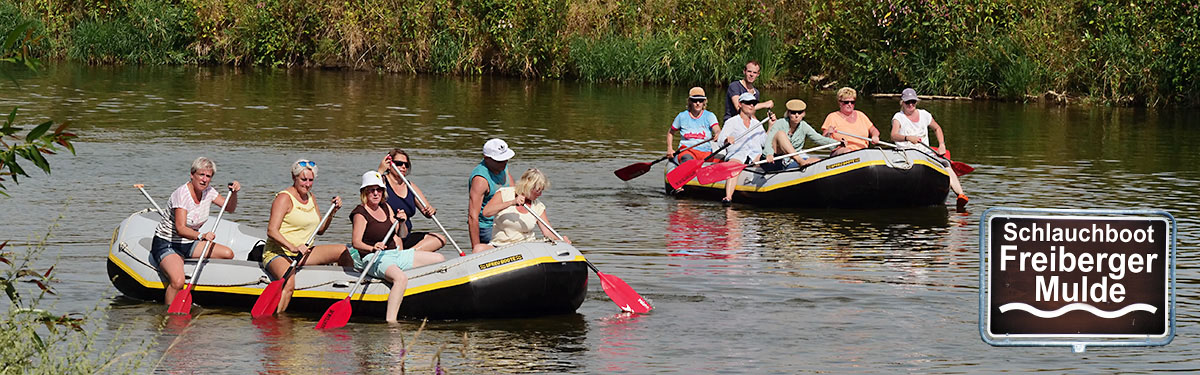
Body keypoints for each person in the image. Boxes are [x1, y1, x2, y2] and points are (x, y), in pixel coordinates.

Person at [349, 171, 445, 322]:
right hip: (373, 258)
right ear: (364, 192)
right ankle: (391, 321)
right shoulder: (360, 213)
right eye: (371, 190)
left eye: (379, 189)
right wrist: (372, 248)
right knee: (400, 278)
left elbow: (401, 234)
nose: (375, 193)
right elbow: (356, 243)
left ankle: (424, 301)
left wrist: (401, 221)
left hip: (394, 254)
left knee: (439, 259)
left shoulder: (386, 207)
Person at [262, 159, 352, 314]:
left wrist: (332, 212)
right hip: (278, 253)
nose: (308, 184)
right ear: (294, 177)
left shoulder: (311, 197)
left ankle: (350, 293)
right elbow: (271, 231)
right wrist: (293, 247)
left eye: (311, 180)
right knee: (289, 282)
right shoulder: (284, 198)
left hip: (303, 253)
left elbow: (321, 230)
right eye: (303, 180)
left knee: (342, 250)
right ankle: (278, 321)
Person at [151, 157, 240, 306]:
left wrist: (234, 193)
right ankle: (167, 315)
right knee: (178, 282)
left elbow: (229, 208)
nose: (204, 180)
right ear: (192, 175)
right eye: (201, 175)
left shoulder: (209, 191)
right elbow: (180, 228)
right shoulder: (182, 195)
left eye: (208, 176)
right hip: (168, 243)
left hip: (189, 243)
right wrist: (202, 236)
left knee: (227, 254)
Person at [890, 88, 970, 212]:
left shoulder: (924, 115)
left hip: (924, 152)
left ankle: (960, 195)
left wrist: (941, 144)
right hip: (906, 152)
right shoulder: (898, 117)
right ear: (902, 103)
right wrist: (907, 138)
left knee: (945, 163)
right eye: (907, 102)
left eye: (913, 102)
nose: (911, 105)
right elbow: (893, 135)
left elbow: (937, 128)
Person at [476, 168, 568, 251]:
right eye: (538, 190)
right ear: (528, 186)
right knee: (478, 248)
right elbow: (486, 212)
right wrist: (512, 202)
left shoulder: (538, 206)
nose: (540, 195)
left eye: (542, 191)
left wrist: (561, 240)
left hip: (525, 246)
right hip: (500, 245)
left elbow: (547, 231)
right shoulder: (504, 193)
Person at [377, 149, 447, 252]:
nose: (403, 167)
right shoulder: (381, 181)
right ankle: (405, 256)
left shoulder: (410, 186)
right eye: (399, 164)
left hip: (405, 235)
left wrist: (431, 210)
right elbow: (369, 190)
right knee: (397, 241)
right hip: (387, 237)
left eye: (406, 164)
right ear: (389, 164)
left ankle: (408, 255)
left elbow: (426, 211)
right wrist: (380, 170)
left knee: (440, 239)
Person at [716, 92, 771, 204]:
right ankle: (728, 197)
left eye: (754, 103)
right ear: (740, 104)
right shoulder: (731, 122)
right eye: (748, 103)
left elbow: (765, 142)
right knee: (734, 166)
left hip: (755, 155)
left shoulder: (757, 124)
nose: (752, 105)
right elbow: (720, 140)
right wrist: (727, 140)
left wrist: (771, 126)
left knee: (766, 157)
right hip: (737, 155)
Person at [762, 99, 841, 170]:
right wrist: (769, 154)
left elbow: (819, 139)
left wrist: (837, 143)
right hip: (774, 160)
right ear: (788, 113)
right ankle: (800, 161)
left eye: (800, 112)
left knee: (819, 162)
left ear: (803, 114)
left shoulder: (804, 126)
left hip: (790, 162)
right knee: (780, 134)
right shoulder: (780, 123)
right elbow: (769, 140)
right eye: (793, 112)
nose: (797, 115)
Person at [468, 138, 517, 253]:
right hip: (488, 227)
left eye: (506, 159)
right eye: (499, 160)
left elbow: (513, 193)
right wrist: (476, 249)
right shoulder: (480, 180)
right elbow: (472, 217)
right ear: (486, 158)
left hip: (505, 221)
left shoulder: (503, 166)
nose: (504, 163)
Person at [667, 87, 721, 163]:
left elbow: (717, 129)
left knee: (724, 159)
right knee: (688, 159)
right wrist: (670, 148)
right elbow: (670, 133)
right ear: (689, 101)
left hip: (706, 153)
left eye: (701, 100)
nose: (698, 103)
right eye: (694, 100)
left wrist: (718, 134)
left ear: (704, 101)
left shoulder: (710, 116)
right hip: (687, 151)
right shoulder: (682, 116)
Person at [821, 87, 880, 155]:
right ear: (840, 103)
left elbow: (873, 130)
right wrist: (828, 133)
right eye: (846, 102)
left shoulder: (861, 115)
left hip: (862, 151)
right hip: (841, 150)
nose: (849, 104)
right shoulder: (832, 117)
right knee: (848, 152)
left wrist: (875, 136)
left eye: (852, 102)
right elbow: (824, 138)